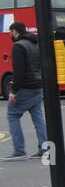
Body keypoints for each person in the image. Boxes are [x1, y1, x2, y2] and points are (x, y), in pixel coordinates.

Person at [4, 22, 47, 161]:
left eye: (11, 32)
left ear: (15, 32)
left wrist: (13, 90)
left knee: (12, 115)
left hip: (25, 87)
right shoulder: (36, 44)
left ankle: (19, 150)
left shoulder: (18, 46)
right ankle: (45, 148)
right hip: (38, 85)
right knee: (38, 118)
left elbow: (19, 72)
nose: (10, 35)